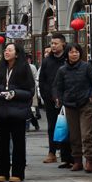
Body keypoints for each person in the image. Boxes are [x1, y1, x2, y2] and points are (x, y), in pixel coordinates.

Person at [0, 43, 35, 182]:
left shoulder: (24, 68)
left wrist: (15, 93)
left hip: (18, 111)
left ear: (17, 54)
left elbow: (30, 91)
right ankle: (2, 172)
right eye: (5, 50)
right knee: (1, 143)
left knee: (18, 143)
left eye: (10, 50)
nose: (6, 52)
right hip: (1, 111)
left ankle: (18, 173)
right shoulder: (0, 68)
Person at [53, 43, 92, 173]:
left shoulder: (86, 67)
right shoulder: (62, 70)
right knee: (74, 135)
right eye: (71, 52)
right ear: (67, 54)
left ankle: (89, 159)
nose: (74, 54)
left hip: (85, 104)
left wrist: (91, 96)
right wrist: (60, 99)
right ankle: (77, 160)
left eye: (76, 52)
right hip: (70, 105)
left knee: (86, 134)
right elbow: (58, 87)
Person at [38, 33, 72, 165]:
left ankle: (67, 155)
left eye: (56, 43)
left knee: (67, 126)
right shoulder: (47, 61)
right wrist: (45, 96)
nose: (53, 46)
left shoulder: (68, 59)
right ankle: (52, 152)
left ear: (63, 44)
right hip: (50, 99)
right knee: (52, 126)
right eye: (52, 43)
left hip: (67, 98)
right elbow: (42, 80)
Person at [26, 57, 40, 132]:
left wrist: (35, 89)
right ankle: (34, 123)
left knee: (28, 109)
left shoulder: (32, 67)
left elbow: (35, 78)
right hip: (22, 90)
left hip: (30, 90)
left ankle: (27, 125)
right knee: (27, 109)